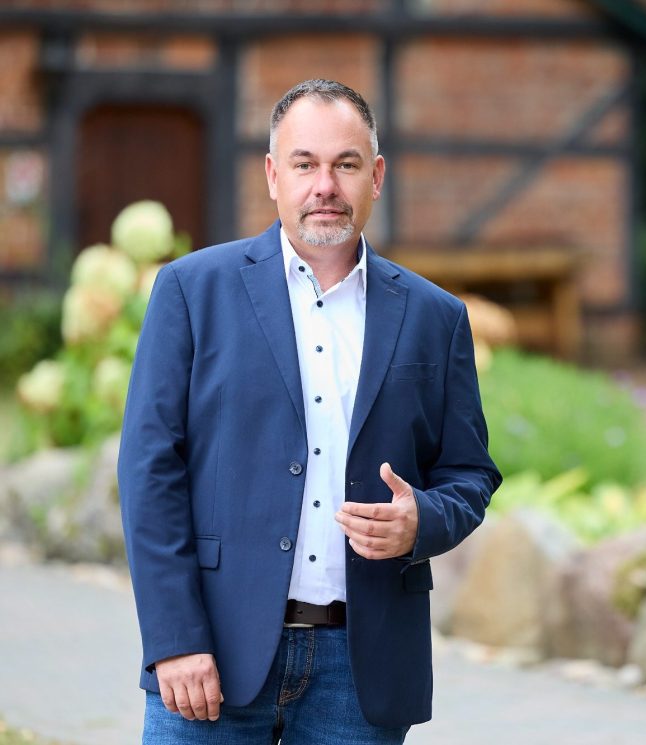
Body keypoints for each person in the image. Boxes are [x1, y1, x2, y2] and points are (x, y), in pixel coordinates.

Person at [118, 79, 501, 744]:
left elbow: (469, 474)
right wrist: (175, 639)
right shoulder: (190, 291)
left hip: (361, 672)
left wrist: (422, 520)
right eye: (305, 164)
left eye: (345, 164)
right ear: (273, 175)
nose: (325, 185)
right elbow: (149, 472)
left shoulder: (435, 318)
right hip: (211, 657)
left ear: (375, 176)